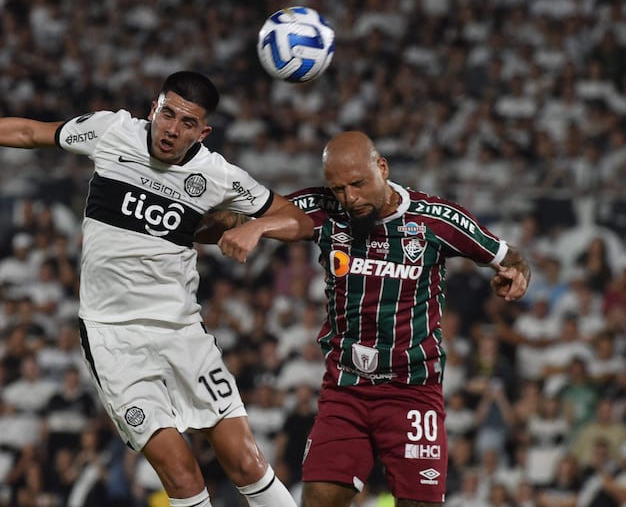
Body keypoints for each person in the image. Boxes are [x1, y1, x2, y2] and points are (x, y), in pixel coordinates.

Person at [0, 70, 312, 507]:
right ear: (154, 108)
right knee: (181, 475)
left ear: (203, 132)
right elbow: (28, 131)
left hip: (182, 332)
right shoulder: (112, 132)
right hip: (112, 337)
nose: (172, 129)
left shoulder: (218, 175)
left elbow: (299, 221)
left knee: (245, 461)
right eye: (167, 114)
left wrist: (258, 227)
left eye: (187, 123)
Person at [201, 130, 530, 506]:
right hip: (345, 389)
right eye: (338, 188)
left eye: (357, 184)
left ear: (382, 168)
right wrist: (203, 219)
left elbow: (511, 257)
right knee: (320, 500)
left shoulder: (437, 220)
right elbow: (237, 219)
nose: (349, 198)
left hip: (412, 391)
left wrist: (516, 276)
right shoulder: (325, 208)